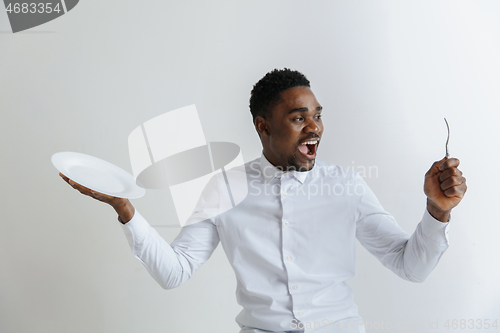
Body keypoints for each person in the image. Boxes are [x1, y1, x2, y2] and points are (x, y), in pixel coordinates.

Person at [60, 68, 467, 333]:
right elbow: (174, 272)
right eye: (298, 117)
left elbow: (411, 268)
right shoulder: (224, 189)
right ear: (263, 125)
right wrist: (127, 212)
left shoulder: (346, 185)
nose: (314, 127)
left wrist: (437, 212)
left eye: (318, 115)